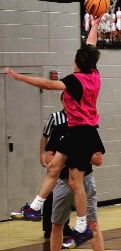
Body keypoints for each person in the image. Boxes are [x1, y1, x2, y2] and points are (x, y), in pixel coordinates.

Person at [5, 15, 104, 248]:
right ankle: (34, 207)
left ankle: (81, 229)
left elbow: (49, 85)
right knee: (53, 168)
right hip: (75, 130)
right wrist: (95, 25)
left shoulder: (76, 80)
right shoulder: (94, 75)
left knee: (74, 181)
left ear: (76, 61)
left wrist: (20, 77)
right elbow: (91, 46)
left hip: (83, 132)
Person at [43, 123, 104, 251]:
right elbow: (49, 158)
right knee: (57, 224)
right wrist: (65, 154)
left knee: (92, 224)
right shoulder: (59, 129)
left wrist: (76, 152)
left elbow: (98, 160)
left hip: (84, 180)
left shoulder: (89, 130)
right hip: (63, 182)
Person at [40, 91, 72, 239]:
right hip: (55, 159)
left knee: (66, 194)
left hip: (70, 161)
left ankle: (64, 225)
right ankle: (48, 227)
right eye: (65, 99)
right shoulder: (54, 118)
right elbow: (45, 137)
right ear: (62, 101)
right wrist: (42, 155)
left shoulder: (77, 118)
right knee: (51, 193)